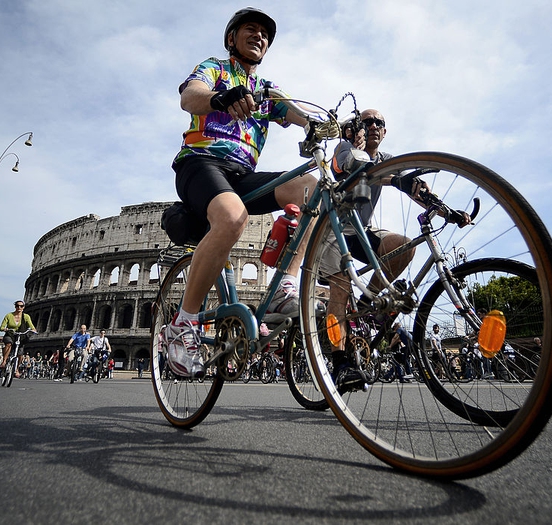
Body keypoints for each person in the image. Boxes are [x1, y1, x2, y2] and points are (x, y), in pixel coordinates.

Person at [164, 8, 315, 378]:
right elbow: (190, 96)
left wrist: (327, 124)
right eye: (251, 29)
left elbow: (293, 110)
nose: (259, 36)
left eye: (265, 34)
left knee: (312, 186)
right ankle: (183, 324)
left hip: (242, 175)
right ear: (232, 37)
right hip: (200, 164)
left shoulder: (265, 89)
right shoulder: (215, 67)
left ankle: (286, 285)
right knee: (233, 217)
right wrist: (218, 98)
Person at [320, 108, 471, 391]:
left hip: (361, 230)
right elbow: (354, 168)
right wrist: (391, 177)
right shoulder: (345, 148)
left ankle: (368, 304)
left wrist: (445, 211)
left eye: (379, 122)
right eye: (367, 122)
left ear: (385, 131)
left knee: (403, 247)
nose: (374, 125)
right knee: (339, 292)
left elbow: (413, 184)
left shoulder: (388, 160)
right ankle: (340, 363)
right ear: (358, 127)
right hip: (331, 232)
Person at [0, 301, 37, 370]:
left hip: (20, 336)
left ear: (23, 307)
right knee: (9, 344)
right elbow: (1, 327)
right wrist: (5, 329)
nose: (19, 307)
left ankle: (17, 368)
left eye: (21, 306)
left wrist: (34, 330)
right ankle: (4, 362)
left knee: (20, 354)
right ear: (15, 307)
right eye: (17, 306)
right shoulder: (9, 315)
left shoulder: (26, 317)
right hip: (10, 334)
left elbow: (31, 326)